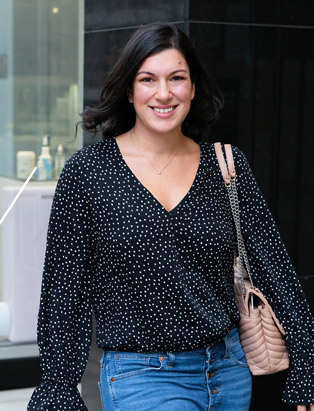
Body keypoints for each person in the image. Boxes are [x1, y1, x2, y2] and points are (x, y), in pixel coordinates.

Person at [27, 22, 314, 411]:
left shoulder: (226, 166)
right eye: (148, 79)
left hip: (228, 369)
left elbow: (273, 266)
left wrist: (306, 369)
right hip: (140, 376)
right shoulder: (88, 172)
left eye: (177, 78)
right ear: (129, 90)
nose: (164, 93)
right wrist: (59, 386)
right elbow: (63, 290)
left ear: (193, 88)